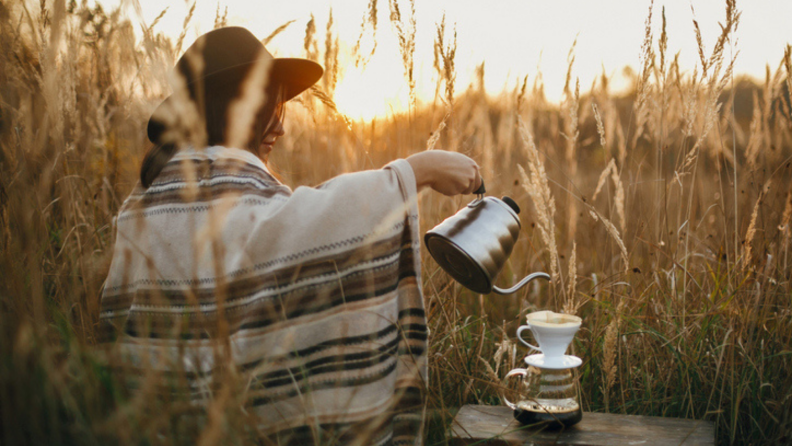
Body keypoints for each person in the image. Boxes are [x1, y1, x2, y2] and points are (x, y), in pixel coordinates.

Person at [99, 26, 481, 445]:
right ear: (230, 109)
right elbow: (305, 227)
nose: (279, 128)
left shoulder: (143, 204)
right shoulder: (212, 197)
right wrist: (416, 171)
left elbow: (276, 231)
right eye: (269, 106)